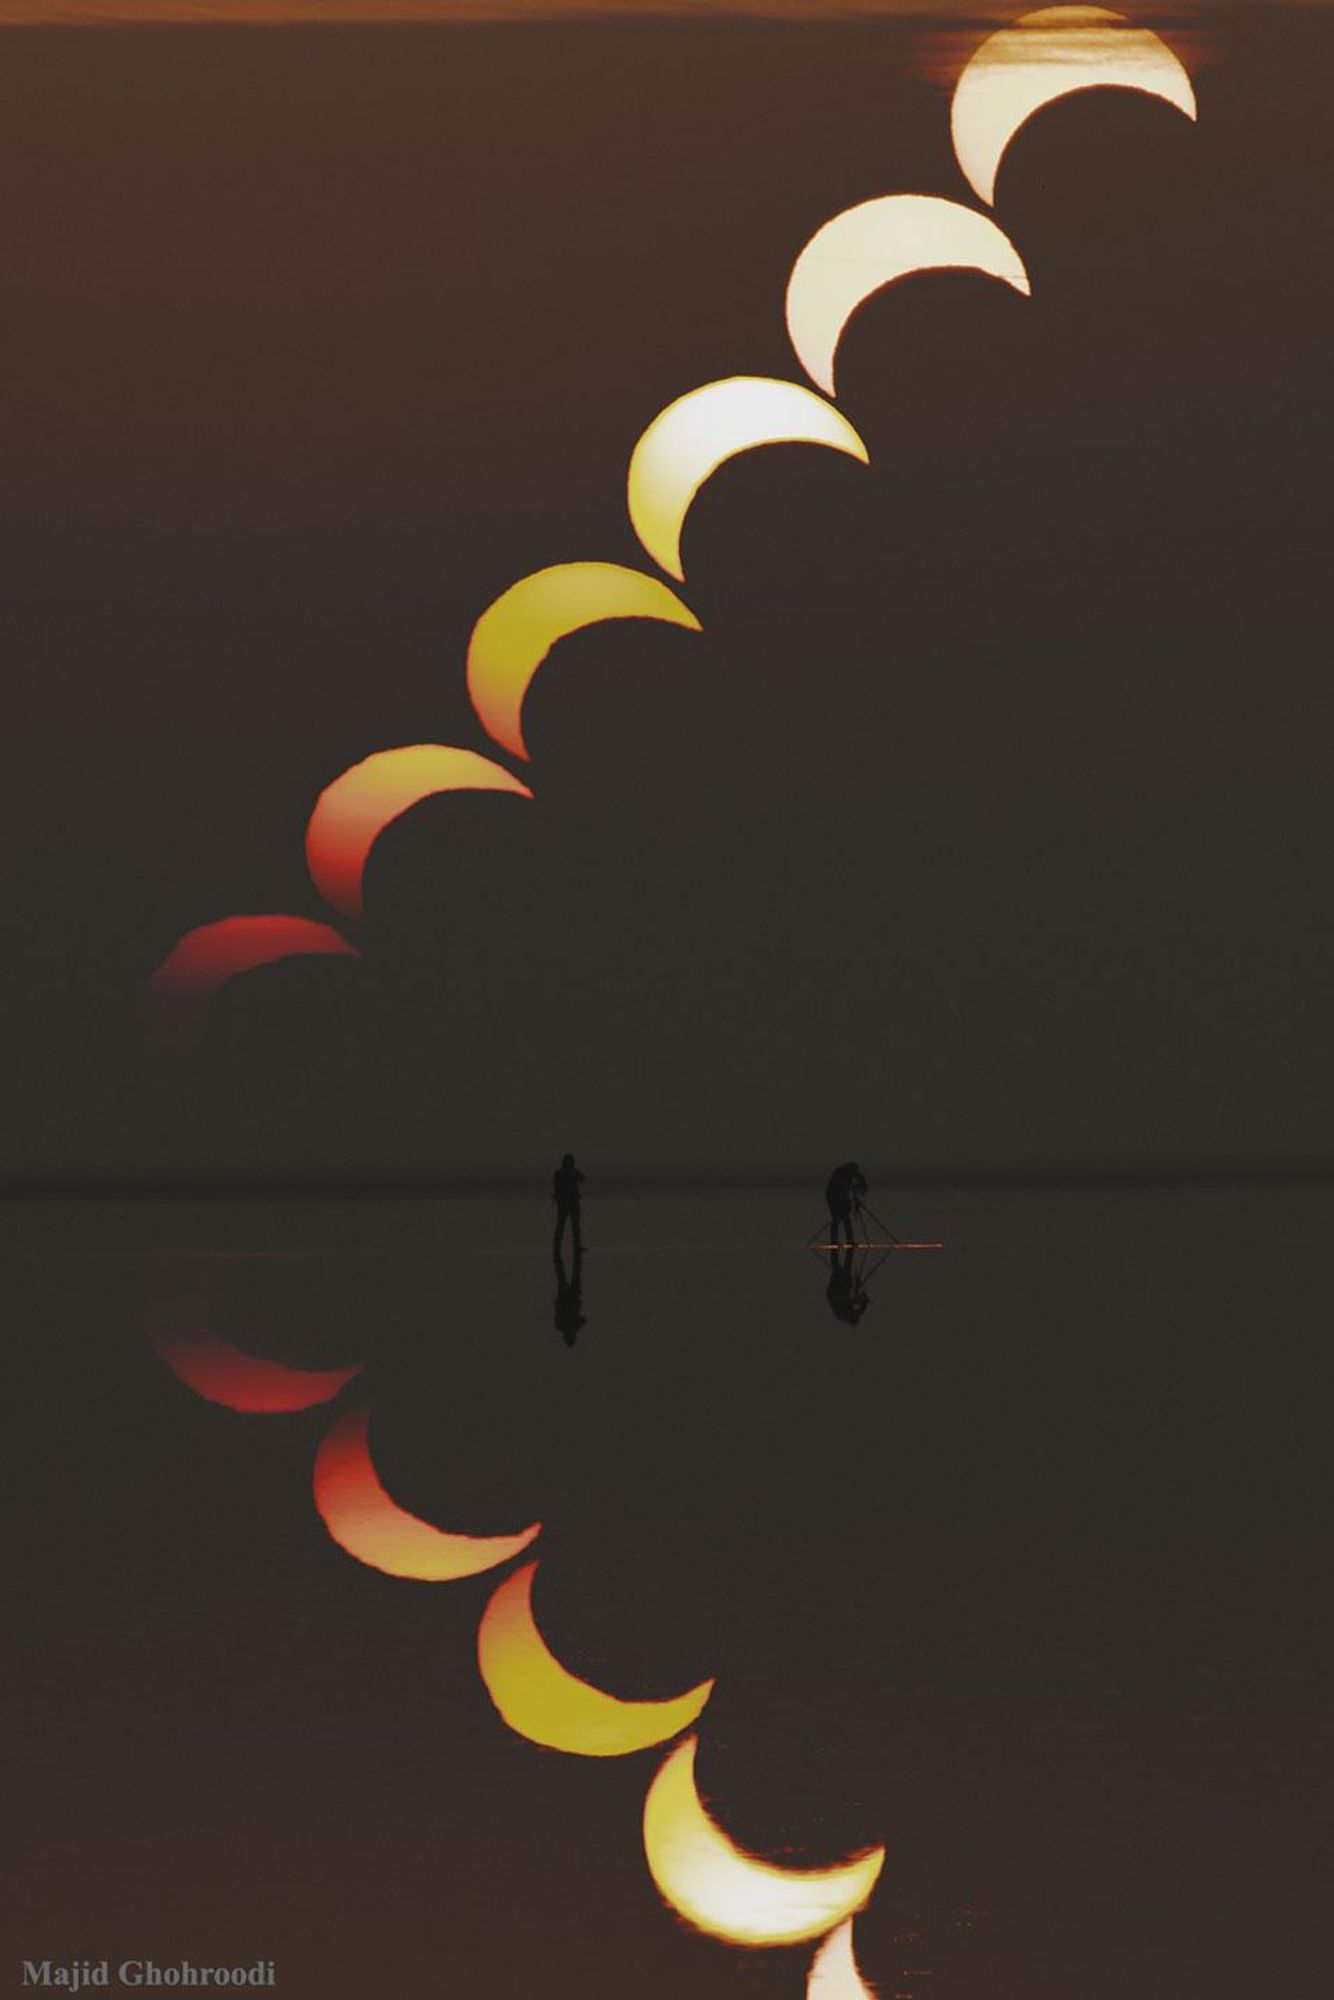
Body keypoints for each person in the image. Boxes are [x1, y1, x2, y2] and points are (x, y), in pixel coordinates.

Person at [824, 1160, 867, 1247]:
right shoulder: (840, 1173)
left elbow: (861, 1180)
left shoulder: (852, 1173)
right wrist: (854, 1188)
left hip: (842, 1195)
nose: (854, 1173)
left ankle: (850, 1240)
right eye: (853, 1171)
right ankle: (834, 1241)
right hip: (833, 1196)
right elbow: (844, 1186)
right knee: (836, 1218)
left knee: (846, 1217)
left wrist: (862, 1186)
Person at [551, 1152, 584, 1256]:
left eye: (570, 1160)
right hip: (564, 1202)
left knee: (575, 1225)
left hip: (573, 1201)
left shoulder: (573, 1172)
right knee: (561, 1224)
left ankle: (577, 1246)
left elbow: (582, 1178)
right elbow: (555, 1186)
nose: (568, 1162)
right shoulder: (559, 1173)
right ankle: (556, 1246)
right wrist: (556, 1197)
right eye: (567, 1160)